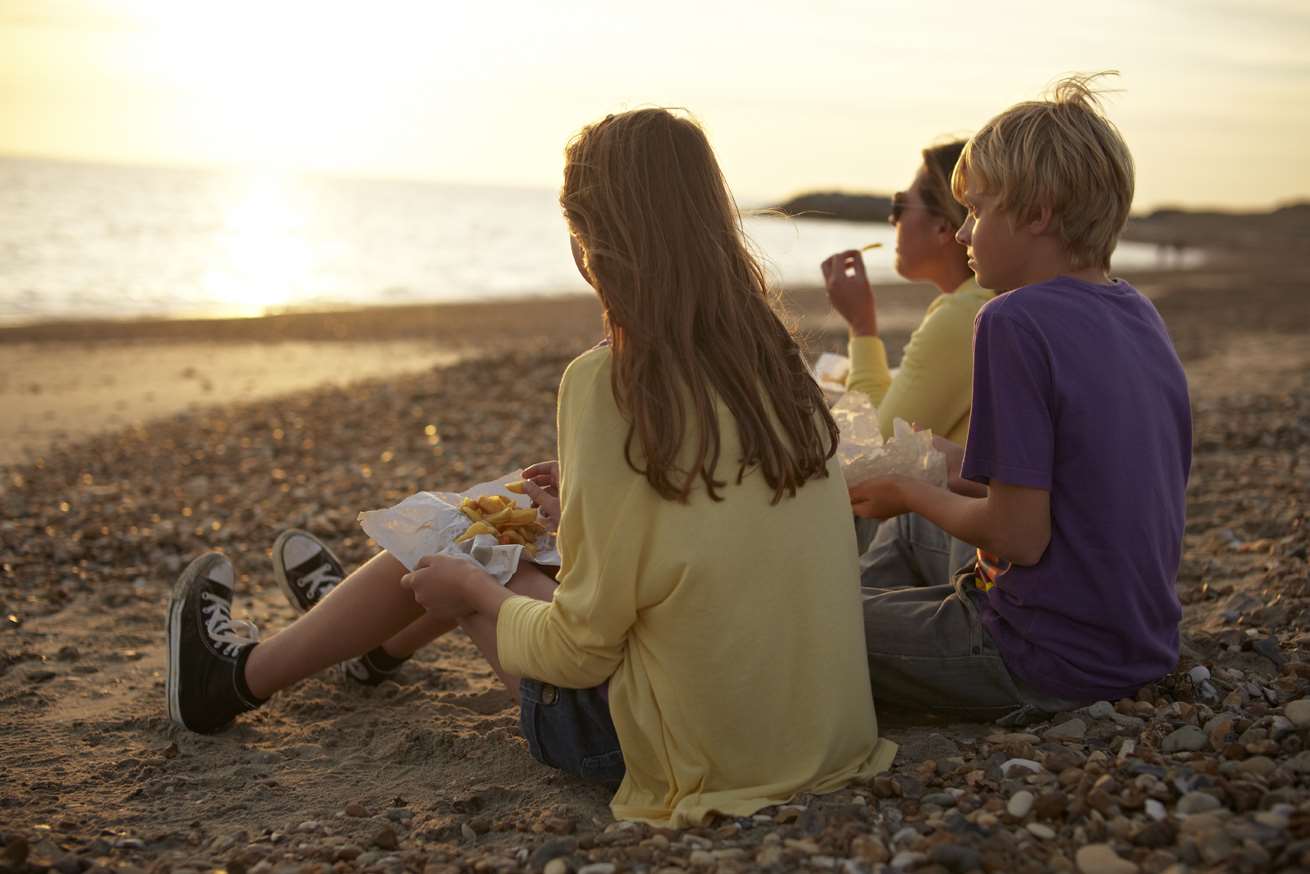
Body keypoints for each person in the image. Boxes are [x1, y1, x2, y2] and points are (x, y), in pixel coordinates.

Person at [165, 107, 896, 827]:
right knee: (507, 529)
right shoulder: (778, 370)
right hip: (820, 738)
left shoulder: (612, 381)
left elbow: (579, 651)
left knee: (463, 536)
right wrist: (575, 514)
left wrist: (473, 596)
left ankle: (238, 678)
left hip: (676, 751)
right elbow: (699, 558)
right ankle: (365, 645)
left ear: (591, 245)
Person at [847, 74, 1191, 719]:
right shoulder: (1134, 309)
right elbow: (1083, 494)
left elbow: (1017, 537)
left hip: (1045, 656)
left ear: (1037, 214)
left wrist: (907, 490)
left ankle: (851, 620)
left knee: (802, 627)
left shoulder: (1012, 321)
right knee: (917, 527)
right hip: (1137, 639)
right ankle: (866, 606)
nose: (963, 233)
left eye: (977, 210)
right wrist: (950, 466)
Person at [820, 139, 992, 447]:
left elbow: (878, 443)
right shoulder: (988, 302)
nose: (892, 219)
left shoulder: (964, 318)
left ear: (943, 227)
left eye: (900, 205)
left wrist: (861, 326)